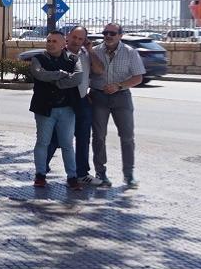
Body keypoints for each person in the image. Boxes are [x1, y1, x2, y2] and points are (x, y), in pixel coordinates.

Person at [89, 22, 145, 187]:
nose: (108, 36)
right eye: (105, 33)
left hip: (122, 97)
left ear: (120, 35)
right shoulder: (95, 52)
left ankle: (129, 175)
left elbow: (138, 77)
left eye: (112, 33)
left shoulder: (130, 52)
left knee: (127, 137)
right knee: (99, 137)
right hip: (99, 97)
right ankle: (101, 172)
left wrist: (119, 86)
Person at [28, 30, 83, 190]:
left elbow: (78, 77)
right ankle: (40, 175)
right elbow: (39, 74)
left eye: (54, 41)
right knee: (42, 142)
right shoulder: (38, 58)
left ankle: (72, 177)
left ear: (63, 44)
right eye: (49, 41)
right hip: (44, 108)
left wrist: (58, 83)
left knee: (67, 144)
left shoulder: (73, 59)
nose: (50, 44)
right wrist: (60, 74)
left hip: (67, 109)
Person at [48, 26, 94, 185]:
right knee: (54, 137)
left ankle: (82, 173)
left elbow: (98, 72)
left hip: (82, 100)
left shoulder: (86, 55)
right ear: (68, 37)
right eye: (74, 37)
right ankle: (41, 170)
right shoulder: (58, 54)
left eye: (81, 39)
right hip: (62, 102)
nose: (77, 41)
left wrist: (91, 50)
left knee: (83, 137)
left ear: (85, 40)